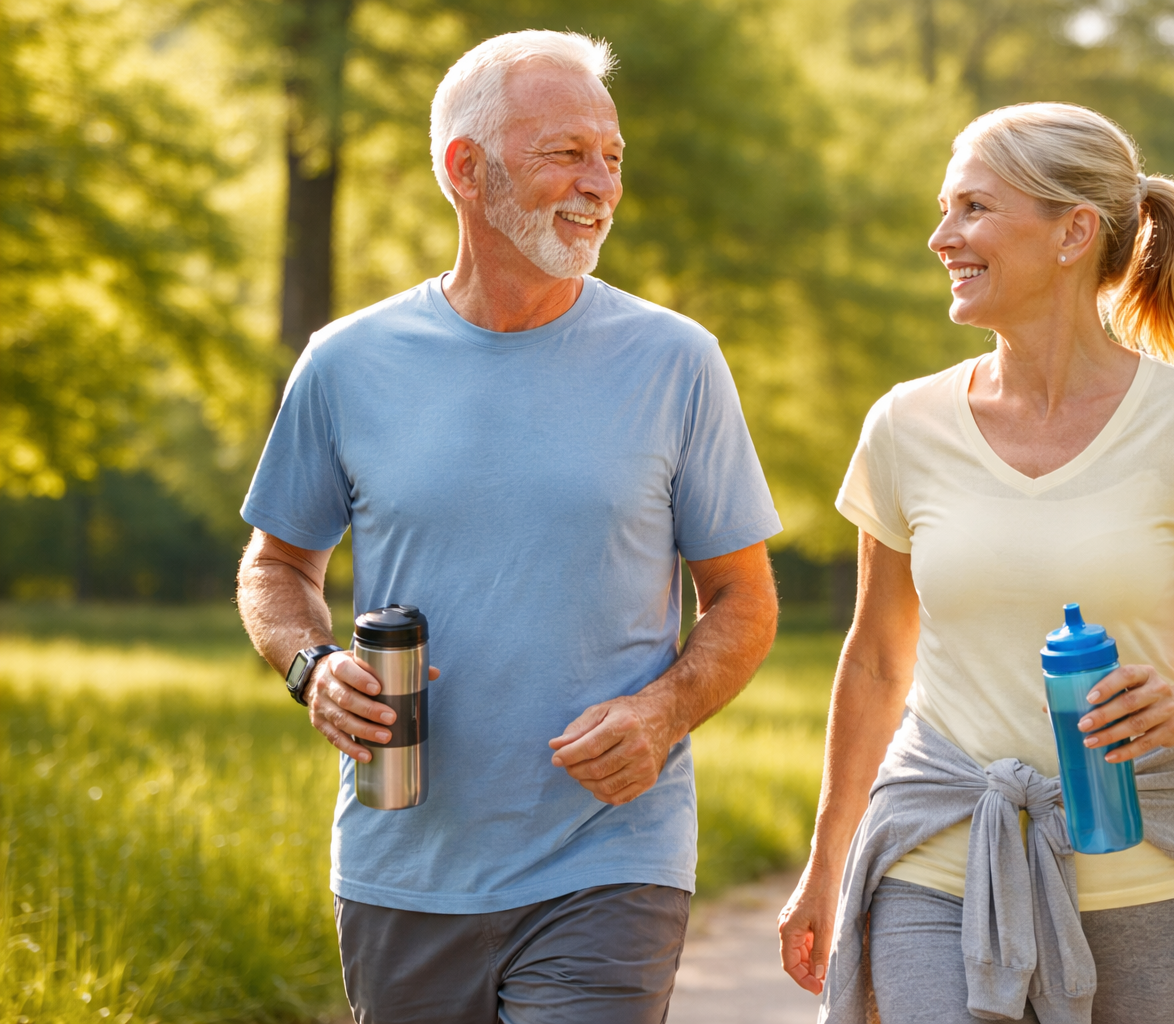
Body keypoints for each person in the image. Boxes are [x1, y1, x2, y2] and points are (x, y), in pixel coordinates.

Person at [236, 30, 782, 1024]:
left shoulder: (677, 361)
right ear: (465, 167)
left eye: (612, 157)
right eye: (566, 153)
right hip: (404, 860)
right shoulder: (346, 362)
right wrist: (311, 669)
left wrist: (662, 714)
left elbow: (744, 597)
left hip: (612, 855)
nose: (600, 186)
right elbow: (276, 566)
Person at [777, 103, 1174, 1023]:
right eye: (945, 209)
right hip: (939, 863)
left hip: (1149, 872)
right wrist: (827, 859)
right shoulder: (904, 426)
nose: (940, 237)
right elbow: (878, 657)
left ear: (1074, 231)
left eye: (973, 209)